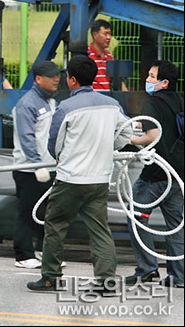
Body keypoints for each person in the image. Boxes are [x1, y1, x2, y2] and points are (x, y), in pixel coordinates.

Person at [27, 55, 133, 292]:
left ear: (72, 80)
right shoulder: (111, 104)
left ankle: (50, 278)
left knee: (55, 224)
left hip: (71, 178)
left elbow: (54, 143)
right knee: (99, 230)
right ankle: (106, 282)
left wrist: (61, 156)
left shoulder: (66, 107)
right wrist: (109, 146)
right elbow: (127, 132)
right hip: (99, 179)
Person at [124, 60, 184, 288]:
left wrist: (129, 140)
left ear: (164, 83)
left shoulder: (152, 103)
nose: (147, 80)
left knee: (137, 217)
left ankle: (147, 268)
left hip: (155, 175)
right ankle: (179, 276)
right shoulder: (179, 101)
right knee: (175, 224)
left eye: (151, 76)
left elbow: (153, 135)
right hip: (177, 173)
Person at [11, 61, 61, 269]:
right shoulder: (27, 104)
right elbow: (27, 137)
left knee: (47, 213)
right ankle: (23, 255)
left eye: (57, 75)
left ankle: (44, 251)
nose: (56, 79)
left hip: (49, 167)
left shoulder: (51, 101)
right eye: (52, 77)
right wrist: (36, 163)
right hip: (28, 169)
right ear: (38, 79)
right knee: (27, 212)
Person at [88, 19, 128, 91]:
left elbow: (116, 79)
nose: (109, 37)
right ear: (95, 35)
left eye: (110, 34)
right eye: (105, 34)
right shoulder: (87, 55)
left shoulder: (109, 56)